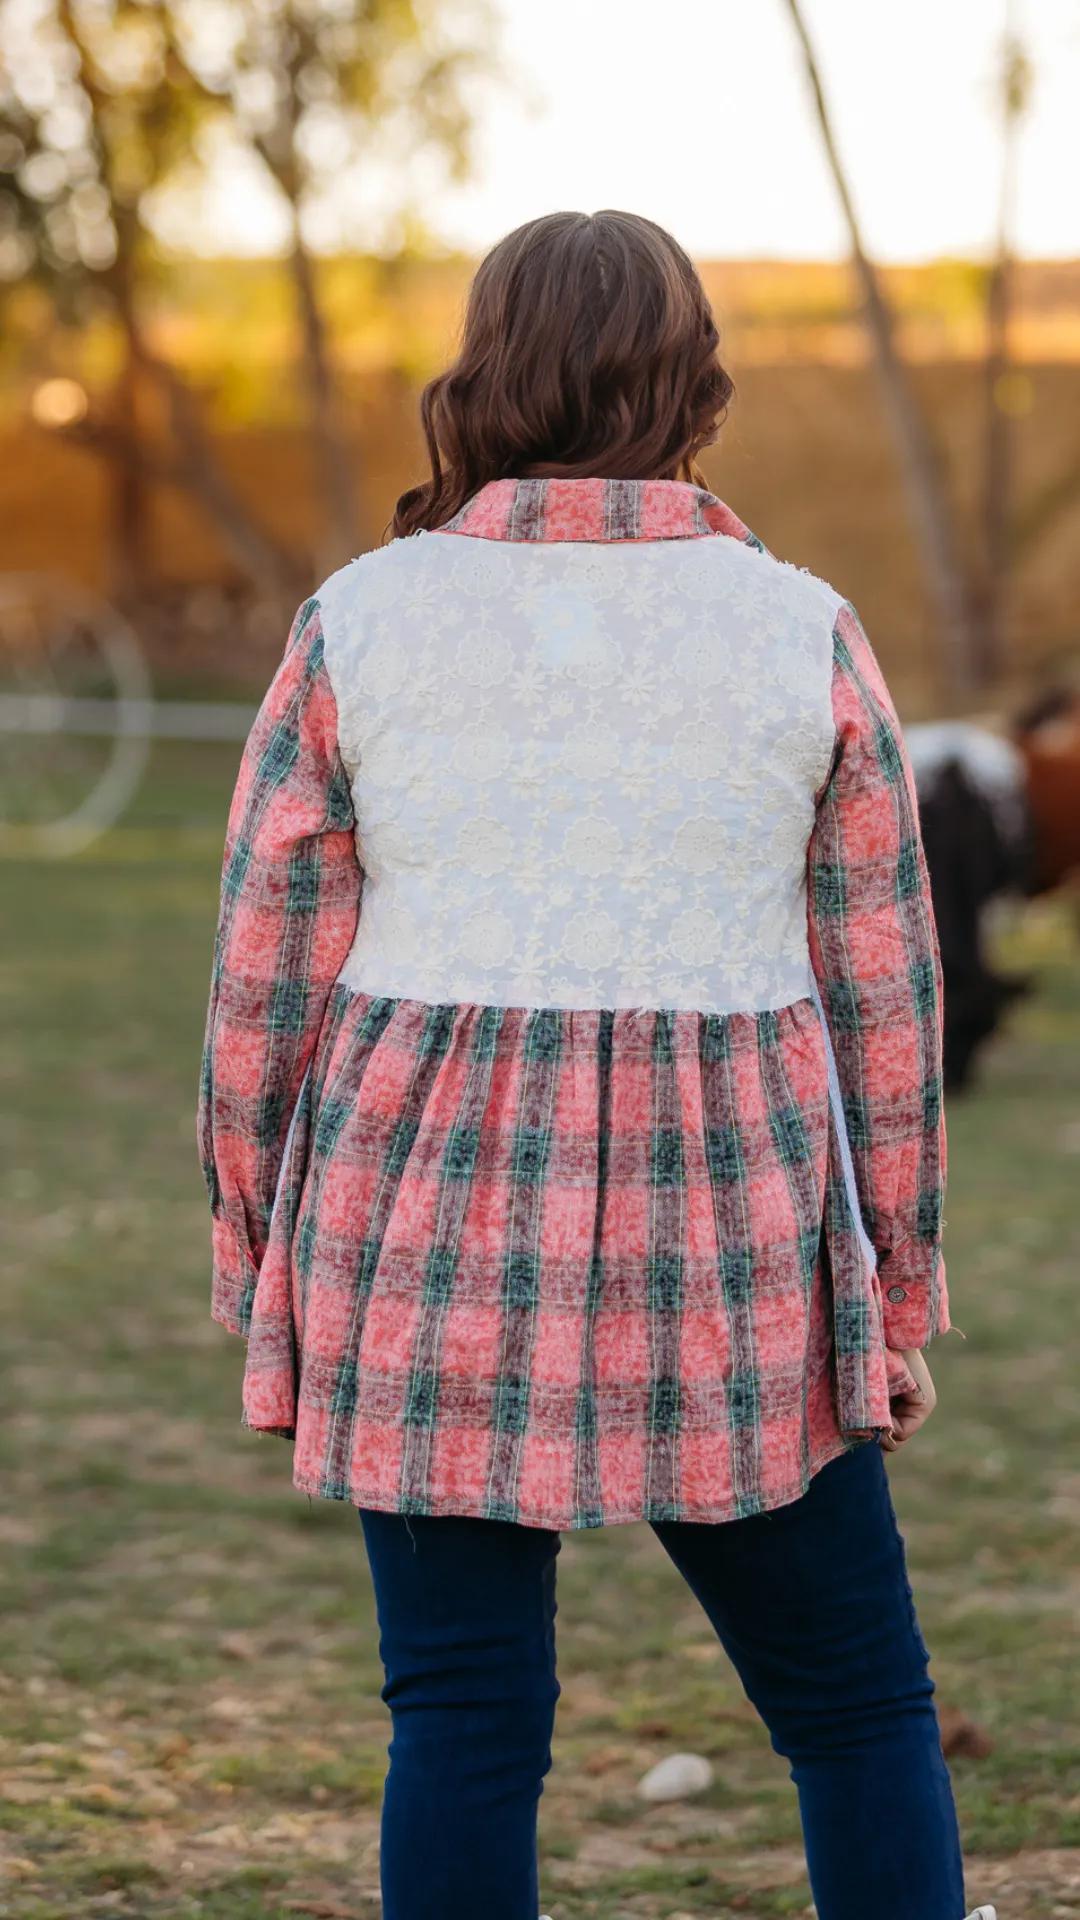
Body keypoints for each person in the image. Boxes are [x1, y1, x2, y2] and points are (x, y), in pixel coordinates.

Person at [199, 210, 993, 1920]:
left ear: (485, 375)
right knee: (859, 1713)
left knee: (463, 1721)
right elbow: (888, 1001)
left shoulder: (362, 619)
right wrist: (896, 1288)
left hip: (414, 1223)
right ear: (692, 383)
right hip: (734, 1240)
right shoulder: (798, 627)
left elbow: (263, 972)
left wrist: (260, 1256)